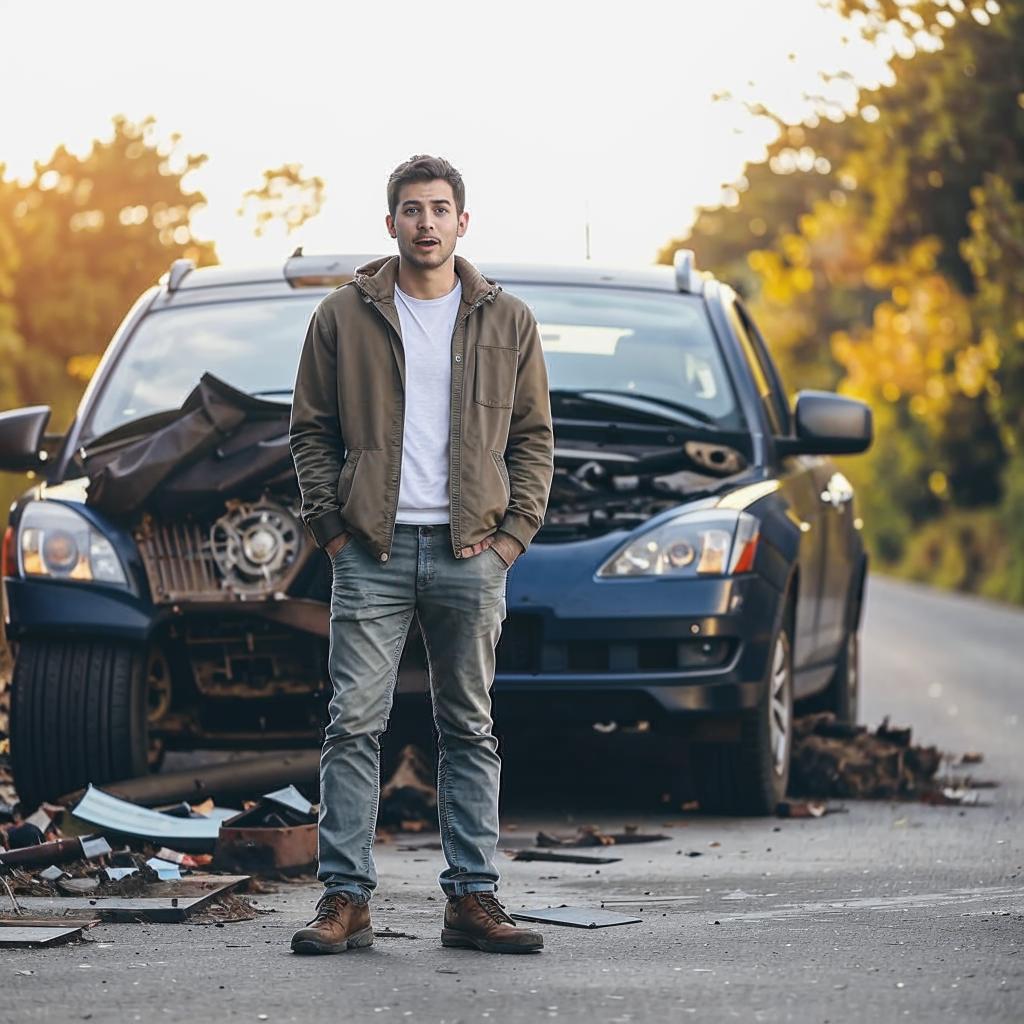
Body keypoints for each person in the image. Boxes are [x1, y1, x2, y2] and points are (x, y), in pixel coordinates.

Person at [287, 154, 554, 955]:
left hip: (470, 551)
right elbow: (310, 431)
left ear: (462, 222)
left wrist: (511, 538)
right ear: (391, 222)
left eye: (440, 209)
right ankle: (346, 899)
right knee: (352, 726)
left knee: (469, 727)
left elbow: (535, 439)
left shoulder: (508, 320)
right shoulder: (343, 316)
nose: (426, 223)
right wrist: (331, 529)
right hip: (369, 550)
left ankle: (473, 899)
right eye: (412, 209)